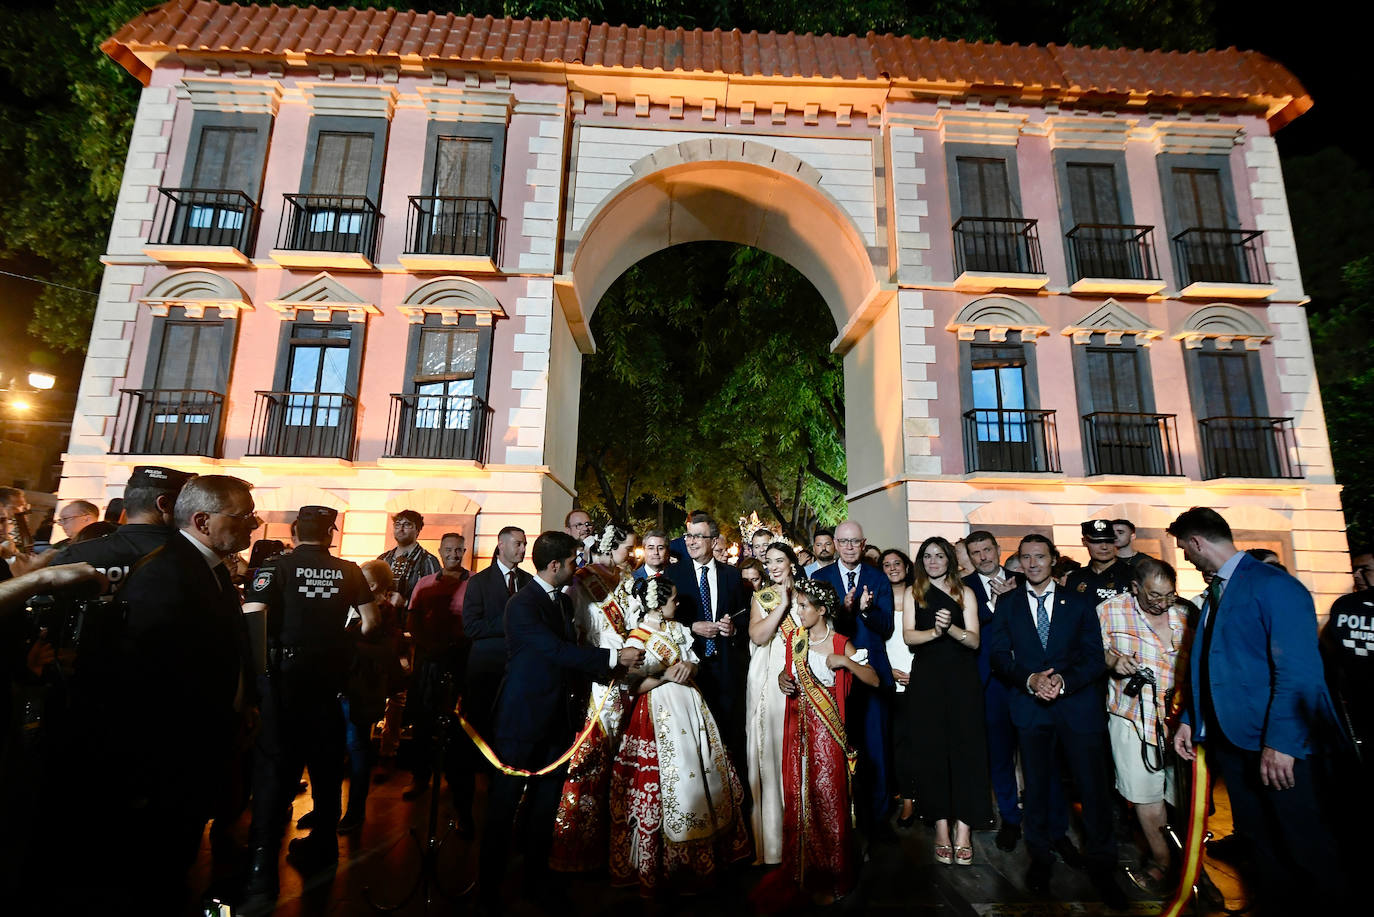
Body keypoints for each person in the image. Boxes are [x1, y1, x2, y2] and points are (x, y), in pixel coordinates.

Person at [1169, 507, 1348, 913]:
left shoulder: (1275, 586)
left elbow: (1299, 672)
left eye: (1185, 549)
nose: (1186, 558)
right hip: (1236, 744)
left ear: (1197, 542)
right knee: (1262, 844)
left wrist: (1282, 743)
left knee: (1305, 844)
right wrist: (1189, 719)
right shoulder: (1219, 590)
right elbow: (1210, 662)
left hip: (1280, 747)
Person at [113, 475, 261, 912]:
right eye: (244, 516)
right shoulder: (166, 572)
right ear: (202, 520)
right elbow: (143, 677)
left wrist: (245, 703)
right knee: (160, 868)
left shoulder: (206, 568)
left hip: (204, 748)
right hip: (171, 758)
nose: (253, 525)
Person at [476, 531, 642, 912]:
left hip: (556, 722)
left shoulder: (563, 605)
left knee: (544, 810)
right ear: (555, 565)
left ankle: (536, 882)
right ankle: (488, 890)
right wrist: (613, 660)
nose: (576, 567)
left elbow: (572, 650)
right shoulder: (522, 604)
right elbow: (554, 651)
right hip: (522, 722)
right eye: (572, 561)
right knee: (502, 810)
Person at [241, 505, 379, 911]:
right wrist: (338, 642)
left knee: (274, 771)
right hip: (328, 681)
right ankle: (324, 849)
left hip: (283, 681)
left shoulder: (275, 567)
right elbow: (370, 622)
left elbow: (254, 618)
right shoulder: (349, 571)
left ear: (294, 530)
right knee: (326, 766)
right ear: (332, 532)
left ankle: (261, 873)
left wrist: (257, 678)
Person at [985, 534, 1125, 908]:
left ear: (1053, 561)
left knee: (1092, 790)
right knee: (1038, 787)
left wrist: (1063, 681)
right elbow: (998, 655)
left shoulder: (1078, 603)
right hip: (1031, 708)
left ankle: (1103, 866)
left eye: (1040, 557)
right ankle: (1040, 859)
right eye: (1026, 557)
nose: (1032, 564)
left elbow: (1094, 658)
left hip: (1077, 708)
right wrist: (1030, 680)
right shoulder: (1008, 604)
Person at [610, 574, 751, 892]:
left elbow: (693, 662)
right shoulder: (638, 638)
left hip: (691, 706)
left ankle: (706, 858)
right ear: (658, 605)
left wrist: (690, 668)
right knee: (672, 779)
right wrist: (665, 677)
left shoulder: (678, 630)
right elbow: (632, 684)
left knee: (702, 769)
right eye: (672, 599)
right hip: (659, 712)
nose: (677, 603)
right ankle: (668, 864)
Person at [756, 578, 878, 908]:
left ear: (821, 610)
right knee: (800, 801)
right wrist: (783, 680)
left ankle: (832, 874)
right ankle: (802, 871)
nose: (798, 612)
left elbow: (874, 678)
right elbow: (788, 675)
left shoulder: (841, 643)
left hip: (829, 734)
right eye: (797, 605)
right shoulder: (795, 639)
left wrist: (846, 663)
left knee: (828, 801)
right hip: (798, 732)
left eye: (804, 607)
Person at [1097, 556, 1189, 895]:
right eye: (1154, 597)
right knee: (1145, 796)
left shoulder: (1185, 613)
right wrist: (1114, 661)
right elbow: (1093, 652)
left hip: (1181, 720)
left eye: (1169, 596)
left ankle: (1192, 864)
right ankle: (1161, 860)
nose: (1163, 604)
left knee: (1183, 797)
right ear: (1135, 588)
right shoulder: (1108, 612)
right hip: (1131, 716)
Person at [552, 523, 639, 872]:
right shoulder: (583, 580)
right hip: (595, 680)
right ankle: (577, 842)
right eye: (627, 548)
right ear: (609, 546)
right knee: (591, 757)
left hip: (625, 678)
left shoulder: (627, 580)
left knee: (619, 756)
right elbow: (575, 630)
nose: (631, 555)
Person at [900, 537, 991, 865]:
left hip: (963, 681)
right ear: (921, 560)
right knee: (932, 752)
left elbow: (975, 640)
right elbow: (909, 636)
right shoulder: (914, 593)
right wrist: (934, 634)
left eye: (940, 555)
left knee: (967, 751)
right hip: (927, 681)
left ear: (949, 559)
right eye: (928, 556)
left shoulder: (965, 593)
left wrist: (950, 629)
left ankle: (963, 831)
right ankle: (940, 828)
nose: (934, 560)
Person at [812, 519, 894, 834]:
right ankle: (837, 818)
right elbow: (814, 627)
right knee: (835, 747)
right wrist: (842, 611)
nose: (848, 547)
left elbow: (885, 626)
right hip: (832, 674)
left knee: (876, 747)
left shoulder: (877, 578)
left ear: (863, 544)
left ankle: (879, 820)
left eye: (854, 542)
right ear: (834, 543)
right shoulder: (821, 578)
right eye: (843, 542)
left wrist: (864, 610)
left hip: (872, 674)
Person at [961, 530, 1030, 851]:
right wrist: (998, 603)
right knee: (999, 754)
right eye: (976, 553)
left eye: (987, 550)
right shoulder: (964, 588)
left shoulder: (1023, 579)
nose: (984, 557)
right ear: (970, 557)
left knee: (1035, 752)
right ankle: (1010, 819)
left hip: (1028, 680)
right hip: (988, 682)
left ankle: (1044, 819)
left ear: (998, 549)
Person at [667, 511, 749, 771]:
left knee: (730, 736)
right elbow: (662, 622)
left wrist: (733, 629)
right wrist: (691, 627)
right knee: (694, 741)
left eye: (698, 537)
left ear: (714, 542)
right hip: (689, 668)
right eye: (688, 535)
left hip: (725, 667)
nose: (691, 541)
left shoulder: (732, 576)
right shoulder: (673, 574)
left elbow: (745, 617)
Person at [403, 533, 473, 813]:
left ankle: (456, 781)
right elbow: (413, 619)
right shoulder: (424, 583)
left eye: (458, 550)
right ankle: (420, 776)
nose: (454, 555)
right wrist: (428, 646)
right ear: (440, 551)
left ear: (464, 551)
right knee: (423, 721)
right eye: (449, 550)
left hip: (461, 661)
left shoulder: (475, 583)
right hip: (429, 662)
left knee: (458, 725)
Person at [745, 541, 803, 865]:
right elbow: (758, 636)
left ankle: (805, 839)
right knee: (772, 761)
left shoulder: (808, 594)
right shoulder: (762, 598)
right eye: (769, 562)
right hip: (771, 682)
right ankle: (774, 846)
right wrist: (780, 606)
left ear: (792, 562)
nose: (774, 566)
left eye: (780, 560)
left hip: (804, 681)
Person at [339, 560, 405, 832]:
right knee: (338, 749)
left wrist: (347, 643)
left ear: (374, 584)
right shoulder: (352, 607)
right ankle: (329, 810)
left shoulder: (384, 612)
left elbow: (384, 650)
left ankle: (354, 811)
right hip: (343, 687)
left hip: (362, 689)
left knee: (357, 748)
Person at [462, 526, 530, 751]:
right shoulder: (479, 582)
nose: (523, 549)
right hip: (486, 667)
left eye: (524, 544)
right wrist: (511, 621)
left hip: (518, 669)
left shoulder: (528, 582)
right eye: (518, 544)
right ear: (501, 545)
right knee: (480, 725)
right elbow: (471, 626)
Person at [879, 547, 917, 826]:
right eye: (886, 564)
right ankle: (902, 797)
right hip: (887, 676)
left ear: (906, 566)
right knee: (895, 743)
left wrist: (919, 673)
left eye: (897, 563)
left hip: (918, 676)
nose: (892, 568)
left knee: (916, 742)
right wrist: (886, 670)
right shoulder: (878, 599)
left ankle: (916, 798)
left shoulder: (920, 594)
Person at [377, 510, 441, 608]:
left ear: (417, 530)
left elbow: (435, 600)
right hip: (382, 620)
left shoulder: (429, 561)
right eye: (397, 524)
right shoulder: (382, 559)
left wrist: (406, 602)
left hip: (412, 621)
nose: (401, 529)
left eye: (407, 525)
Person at [1064, 519, 1132, 604]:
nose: (1104, 547)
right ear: (1084, 542)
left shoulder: (1132, 575)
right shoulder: (1075, 578)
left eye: (1109, 541)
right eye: (1097, 541)